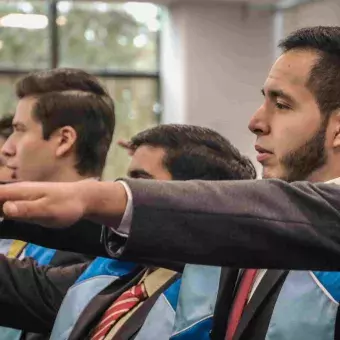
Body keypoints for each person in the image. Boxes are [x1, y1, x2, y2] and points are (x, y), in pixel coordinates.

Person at [0, 124, 255, 340]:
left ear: (188, 198)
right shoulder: (120, 273)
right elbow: (20, 287)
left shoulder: (224, 298)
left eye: (140, 181)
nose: (124, 193)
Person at [0, 68, 115, 340]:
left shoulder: (103, 249)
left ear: (64, 140)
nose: (7, 148)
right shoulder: (27, 224)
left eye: (20, 130)